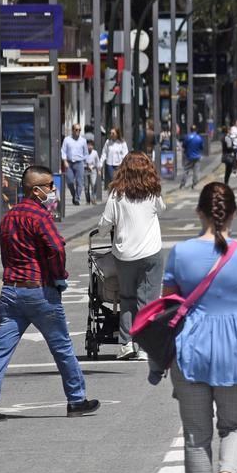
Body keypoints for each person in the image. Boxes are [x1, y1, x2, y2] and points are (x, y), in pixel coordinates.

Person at [151, 182, 237, 473]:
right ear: (233, 213)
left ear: (199, 212)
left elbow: (167, 303)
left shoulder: (181, 254)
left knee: (195, 434)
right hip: (234, 350)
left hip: (191, 349)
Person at [0, 166, 100, 421]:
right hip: (39, 292)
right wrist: (59, 276)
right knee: (62, 346)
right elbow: (56, 247)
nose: (53, 190)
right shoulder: (40, 216)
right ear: (36, 190)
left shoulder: (9, 216)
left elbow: (6, 254)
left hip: (11, 291)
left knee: (1, 349)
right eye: (49, 186)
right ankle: (76, 399)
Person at [98, 152, 166, 361]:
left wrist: (103, 230)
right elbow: (161, 210)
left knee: (126, 297)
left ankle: (127, 343)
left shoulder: (117, 194)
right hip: (151, 252)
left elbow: (104, 224)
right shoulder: (152, 193)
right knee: (148, 299)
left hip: (125, 254)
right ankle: (145, 346)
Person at [61, 124, 89, 206]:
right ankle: (74, 195)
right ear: (72, 130)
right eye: (76, 130)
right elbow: (63, 151)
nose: (78, 131)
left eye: (79, 130)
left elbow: (86, 153)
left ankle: (77, 199)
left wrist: (85, 163)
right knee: (69, 181)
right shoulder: (67, 139)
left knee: (79, 182)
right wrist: (64, 161)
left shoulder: (83, 140)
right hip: (69, 163)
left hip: (79, 163)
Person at [180, 125, 204, 190]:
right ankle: (194, 184)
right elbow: (201, 147)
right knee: (196, 171)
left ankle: (182, 185)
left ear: (190, 130)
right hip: (197, 157)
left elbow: (184, 146)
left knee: (186, 170)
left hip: (188, 157)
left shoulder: (187, 137)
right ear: (196, 130)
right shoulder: (199, 138)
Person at [223, 122, 237, 188]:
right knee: (228, 171)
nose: (231, 131)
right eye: (230, 130)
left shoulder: (227, 137)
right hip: (228, 156)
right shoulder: (227, 137)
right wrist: (234, 147)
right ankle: (226, 184)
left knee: (228, 171)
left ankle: (226, 183)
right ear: (228, 130)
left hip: (228, 155)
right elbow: (229, 147)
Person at [84, 140, 101, 205]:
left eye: (91, 145)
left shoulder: (95, 153)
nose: (90, 147)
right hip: (85, 170)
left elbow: (97, 162)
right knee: (86, 186)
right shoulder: (84, 152)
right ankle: (88, 200)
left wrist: (98, 170)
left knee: (93, 184)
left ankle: (93, 199)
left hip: (93, 170)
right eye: (88, 145)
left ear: (93, 146)